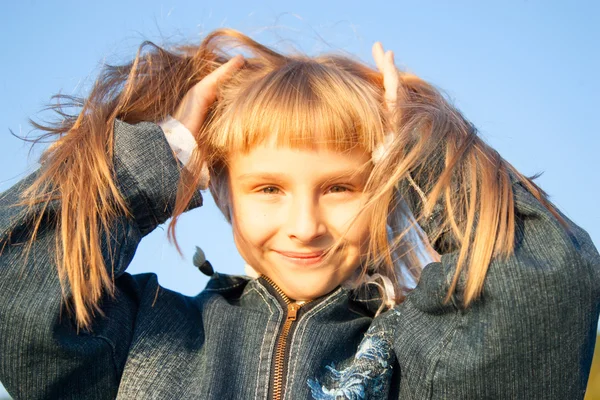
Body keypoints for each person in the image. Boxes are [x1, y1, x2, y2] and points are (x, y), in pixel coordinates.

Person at [0, 28, 598, 399]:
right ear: (218, 189)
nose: (305, 224)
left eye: (340, 187)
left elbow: (545, 289)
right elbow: (14, 287)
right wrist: (161, 157)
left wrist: (424, 153)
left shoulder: (420, 356)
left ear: (390, 192)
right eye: (268, 189)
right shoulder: (144, 342)